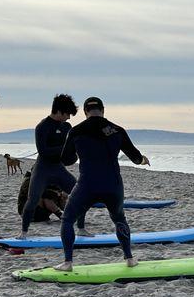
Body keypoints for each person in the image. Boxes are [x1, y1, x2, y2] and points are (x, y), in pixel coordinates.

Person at [54, 97, 150, 271]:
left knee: (67, 219)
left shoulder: (76, 131)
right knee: (119, 219)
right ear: (103, 110)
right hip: (112, 184)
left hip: (87, 185)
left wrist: (77, 152)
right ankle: (129, 258)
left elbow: (66, 160)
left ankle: (68, 262)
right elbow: (135, 157)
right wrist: (143, 160)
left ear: (85, 112)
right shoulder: (117, 130)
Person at [18, 94, 90, 239]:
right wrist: (64, 149)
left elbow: (70, 152)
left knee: (81, 195)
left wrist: (73, 154)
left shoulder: (67, 127)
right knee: (32, 200)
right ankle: (23, 233)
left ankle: (81, 229)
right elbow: (44, 151)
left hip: (58, 168)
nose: (69, 117)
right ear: (59, 111)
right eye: (68, 114)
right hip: (42, 169)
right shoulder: (42, 127)